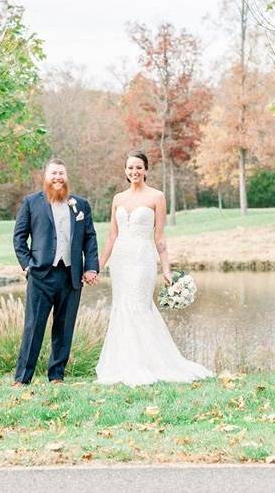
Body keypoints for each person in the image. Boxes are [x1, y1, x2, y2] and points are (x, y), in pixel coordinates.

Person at [95, 150, 212, 386]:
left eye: (139, 167)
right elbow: (111, 237)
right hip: (120, 259)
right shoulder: (118, 199)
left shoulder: (156, 197)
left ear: (146, 170)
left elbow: (160, 238)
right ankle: (125, 363)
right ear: (125, 171)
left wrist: (166, 269)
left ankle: (149, 363)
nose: (134, 172)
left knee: (139, 306)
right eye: (130, 168)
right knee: (121, 307)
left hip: (142, 259)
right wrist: (97, 266)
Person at [12, 158, 99, 384]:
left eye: (61, 173)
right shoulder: (31, 203)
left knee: (64, 327)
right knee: (34, 327)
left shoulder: (80, 205)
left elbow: (90, 238)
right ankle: (22, 378)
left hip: (71, 276)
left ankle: (57, 376)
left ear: (66, 176)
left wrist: (90, 267)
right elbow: (19, 238)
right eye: (54, 173)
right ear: (46, 177)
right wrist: (28, 265)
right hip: (41, 274)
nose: (58, 177)